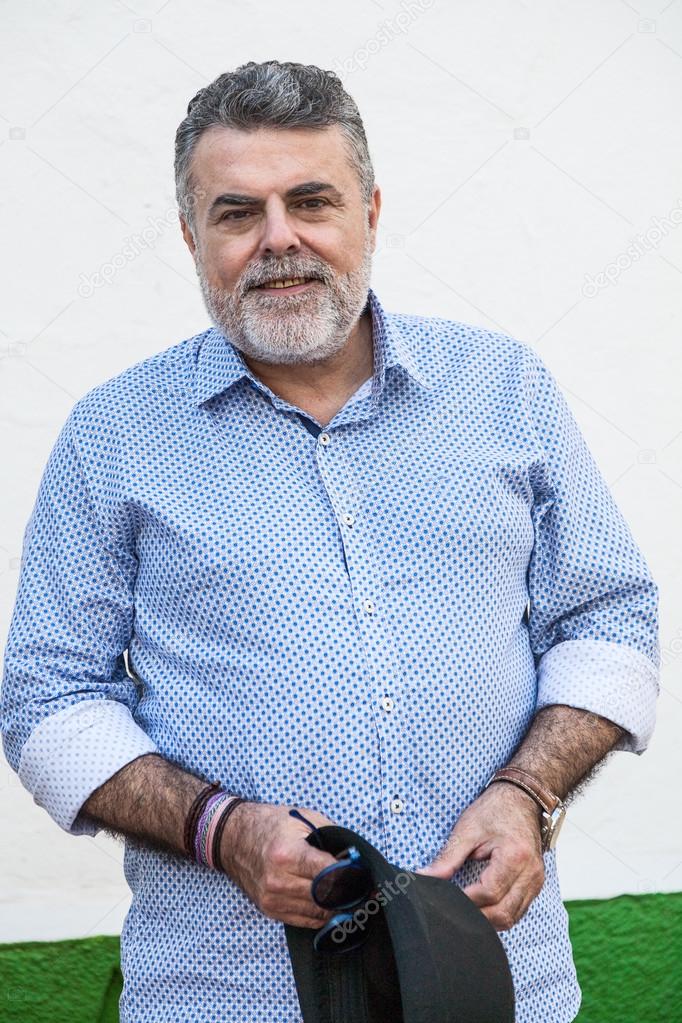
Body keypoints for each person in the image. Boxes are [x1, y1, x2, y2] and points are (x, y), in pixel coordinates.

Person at [0, 60, 659, 1023]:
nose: (280, 240)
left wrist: (530, 793)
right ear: (191, 235)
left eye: (312, 200)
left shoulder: (506, 389)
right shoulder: (113, 436)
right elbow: (45, 700)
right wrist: (220, 829)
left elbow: (609, 615)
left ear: (371, 211)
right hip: (224, 993)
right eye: (236, 213)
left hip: (494, 975)